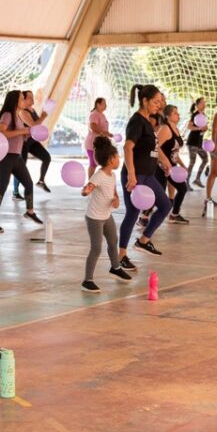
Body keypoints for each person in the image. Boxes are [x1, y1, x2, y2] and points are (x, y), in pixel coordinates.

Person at [117, 84, 173, 269]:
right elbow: (127, 147)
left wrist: (164, 161)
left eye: (160, 101)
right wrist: (131, 175)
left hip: (148, 175)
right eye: (156, 102)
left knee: (165, 205)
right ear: (145, 101)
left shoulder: (148, 121)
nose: (159, 105)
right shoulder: (137, 121)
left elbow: (153, 148)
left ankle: (143, 241)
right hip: (136, 175)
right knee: (133, 213)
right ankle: (121, 255)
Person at [80, 136, 132, 292]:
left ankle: (115, 267)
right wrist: (86, 190)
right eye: (117, 157)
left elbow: (113, 193)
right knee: (96, 248)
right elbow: (88, 187)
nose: (119, 160)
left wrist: (115, 200)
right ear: (110, 159)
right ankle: (87, 280)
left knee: (113, 241)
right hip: (94, 218)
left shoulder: (112, 175)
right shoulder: (99, 175)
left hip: (106, 216)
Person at [0, 90, 42, 233]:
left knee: (29, 183)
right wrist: (22, 132)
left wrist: (25, 135)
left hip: (16, 157)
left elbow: (16, 136)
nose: (24, 100)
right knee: (1, 189)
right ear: (15, 100)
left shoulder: (18, 116)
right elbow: (1, 133)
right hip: (4, 157)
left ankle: (30, 211)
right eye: (22, 98)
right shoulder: (8, 115)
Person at [156, 104, 190, 224]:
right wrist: (165, 162)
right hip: (162, 167)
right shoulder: (165, 129)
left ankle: (174, 214)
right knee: (158, 193)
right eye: (175, 113)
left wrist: (182, 165)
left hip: (172, 167)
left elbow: (174, 152)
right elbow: (156, 147)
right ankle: (144, 217)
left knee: (182, 188)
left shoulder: (175, 129)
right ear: (168, 116)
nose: (178, 115)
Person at [13, 90, 51, 196]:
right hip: (23, 143)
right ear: (23, 100)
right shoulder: (23, 112)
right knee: (21, 167)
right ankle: (15, 191)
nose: (32, 98)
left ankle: (41, 181)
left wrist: (42, 117)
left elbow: (37, 126)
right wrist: (44, 116)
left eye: (32, 96)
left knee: (46, 157)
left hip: (32, 141)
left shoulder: (32, 110)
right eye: (29, 97)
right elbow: (34, 125)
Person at [185, 97, 208, 187]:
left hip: (199, 143)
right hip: (192, 142)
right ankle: (186, 182)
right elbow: (189, 127)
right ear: (197, 105)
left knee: (205, 159)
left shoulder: (204, 116)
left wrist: (205, 129)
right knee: (192, 161)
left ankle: (197, 179)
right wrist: (199, 128)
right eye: (202, 103)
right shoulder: (195, 115)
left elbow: (203, 128)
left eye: (204, 103)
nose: (204, 104)